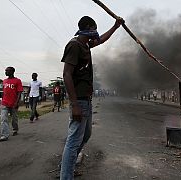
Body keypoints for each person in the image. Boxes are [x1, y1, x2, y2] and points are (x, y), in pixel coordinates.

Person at [60, 16, 124, 179]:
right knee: (74, 140)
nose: (96, 31)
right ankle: (66, 174)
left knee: (86, 135)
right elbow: (67, 74)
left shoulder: (85, 44)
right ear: (88, 27)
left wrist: (115, 27)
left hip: (86, 100)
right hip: (79, 100)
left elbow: (101, 39)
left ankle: (69, 161)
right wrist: (74, 104)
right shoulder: (74, 45)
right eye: (94, 27)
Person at [0, 67, 23, 142]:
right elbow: (4, 92)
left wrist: (17, 103)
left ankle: (15, 129)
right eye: (5, 70)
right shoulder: (4, 81)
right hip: (4, 103)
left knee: (14, 119)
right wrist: (1, 101)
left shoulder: (17, 81)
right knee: (3, 119)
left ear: (12, 71)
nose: (6, 72)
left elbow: (19, 92)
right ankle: (4, 135)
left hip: (13, 103)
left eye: (7, 71)